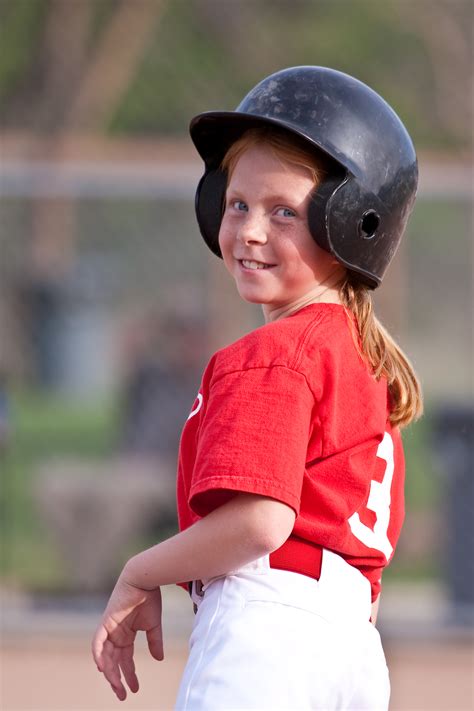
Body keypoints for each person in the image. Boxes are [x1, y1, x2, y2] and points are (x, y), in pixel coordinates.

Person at [92, 66, 423, 710]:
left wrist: (141, 571)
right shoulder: (366, 365)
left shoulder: (275, 353)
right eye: (238, 203)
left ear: (352, 223)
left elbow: (261, 522)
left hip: (270, 631)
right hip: (353, 649)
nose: (248, 230)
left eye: (283, 213)